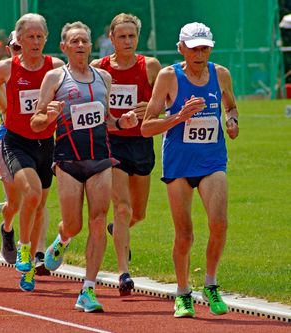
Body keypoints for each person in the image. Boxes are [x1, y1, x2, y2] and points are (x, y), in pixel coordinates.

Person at [30, 21, 138, 312]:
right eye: (74, 41)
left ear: (92, 46)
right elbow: (36, 121)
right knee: (75, 224)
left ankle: (88, 290)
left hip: (101, 160)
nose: (80, 46)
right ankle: (63, 237)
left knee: (99, 220)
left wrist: (121, 122)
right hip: (67, 161)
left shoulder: (103, 77)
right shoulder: (55, 78)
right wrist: (50, 116)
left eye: (85, 41)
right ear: (64, 47)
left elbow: (107, 120)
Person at [141, 22, 239, 318]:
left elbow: (231, 107)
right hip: (179, 164)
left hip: (212, 161)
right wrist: (179, 116)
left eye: (205, 47)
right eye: (194, 47)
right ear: (181, 47)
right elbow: (147, 127)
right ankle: (183, 292)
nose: (200, 53)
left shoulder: (221, 74)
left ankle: (210, 283)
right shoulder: (169, 76)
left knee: (219, 222)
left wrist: (232, 121)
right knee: (185, 234)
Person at [0, 13, 65, 292]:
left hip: (46, 143)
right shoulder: (7, 68)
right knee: (32, 194)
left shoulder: (56, 67)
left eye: (40, 36)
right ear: (19, 39)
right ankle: (25, 249)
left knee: (39, 206)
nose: (36, 41)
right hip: (16, 141)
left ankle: (31, 264)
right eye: (30, 36)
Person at [90, 13, 162, 296]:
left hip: (142, 143)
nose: (128, 41)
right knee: (122, 207)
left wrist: (153, 109)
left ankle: (118, 229)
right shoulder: (100, 68)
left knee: (138, 213)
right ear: (112, 38)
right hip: (113, 142)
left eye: (132, 36)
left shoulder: (151, 66)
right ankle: (124, 273)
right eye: (122, 36)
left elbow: (169, 98)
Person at [0, 30, 51, 277]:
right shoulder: (3, 74)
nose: (21, 52)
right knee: (15, 204)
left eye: (24, 46)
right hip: (11, 144)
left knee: (37, 200)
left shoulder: (45, 74)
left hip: (40, 143)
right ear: (10, 48)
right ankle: (7, 228)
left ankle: (36, 255)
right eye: (16, 48)